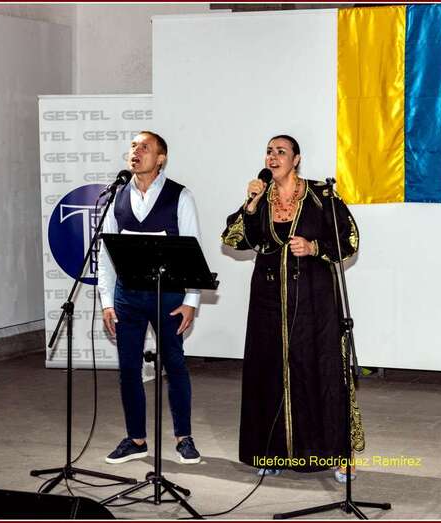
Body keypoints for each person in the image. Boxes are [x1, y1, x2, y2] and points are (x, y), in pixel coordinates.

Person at [221, 135, 364, 482]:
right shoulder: (260, 197)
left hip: (314, 301)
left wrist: (315, 247)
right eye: (269, 151)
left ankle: (336, 456)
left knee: (320, 372)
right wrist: (251, 205)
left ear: (296, 159)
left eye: (281, 152)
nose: (273, 157)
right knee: (269, 373)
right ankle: (271, 452)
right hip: (268, 302)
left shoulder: (321, 195)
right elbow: (232, 239)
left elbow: (350, 239)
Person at [98, 131, 202, 465]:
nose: (136, 151)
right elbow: (106, 253)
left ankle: (184, 438)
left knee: (175, 364)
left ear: (160, 159)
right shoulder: (117, 196)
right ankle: (136, 439)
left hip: (168, 296)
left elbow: (193, 250)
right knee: (128, 368)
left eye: (145, 147)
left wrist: (191, 301)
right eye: (133, 146)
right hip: (127, 297)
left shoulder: (180, 196)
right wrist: (106, 301)